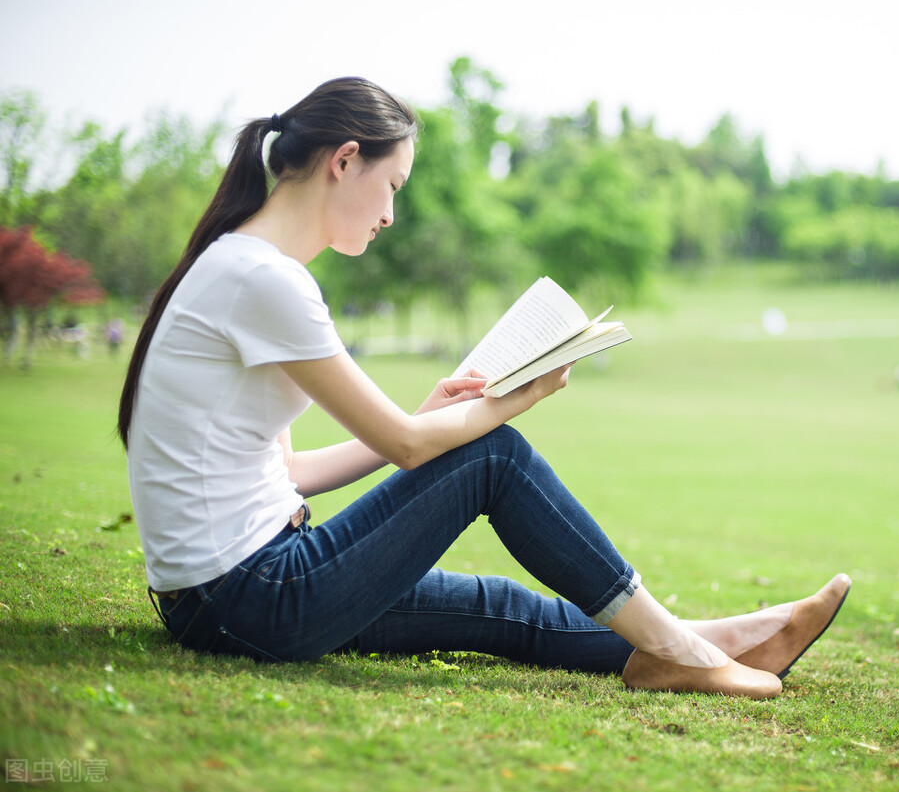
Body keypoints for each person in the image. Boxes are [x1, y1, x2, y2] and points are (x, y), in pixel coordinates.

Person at [117, 77, 851, 700]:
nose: (389, 214)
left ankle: (725, 638)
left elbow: (292, 472)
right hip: (254, 597)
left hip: (234, 594)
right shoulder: (265, 281)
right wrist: (513, 399)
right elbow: (408, 448)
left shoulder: (245, 267)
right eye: (392, 185)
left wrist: (426, 415)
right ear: (346, 160)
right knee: (492, 456)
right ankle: (687, 653)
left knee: (498, 607)